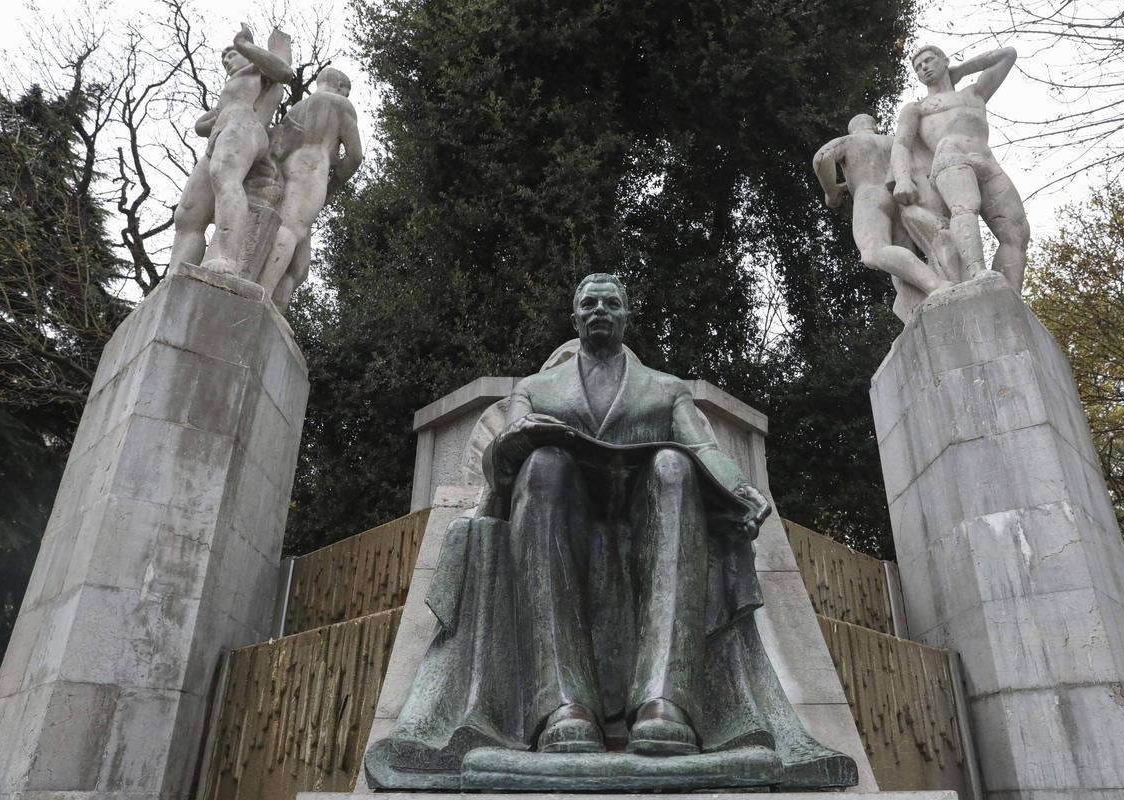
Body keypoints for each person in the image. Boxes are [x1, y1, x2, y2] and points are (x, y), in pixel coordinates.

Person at [364, 275, 854, 790]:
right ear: (575, 320)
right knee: (542, 465)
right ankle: (561, 706)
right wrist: (523, 438)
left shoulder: (666, 390)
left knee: (674, 465)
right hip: (556, 507)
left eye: (611, 303)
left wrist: (741, 488)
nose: (600, 310)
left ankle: (664, 702)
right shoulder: (534, 389)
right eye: (590, 303)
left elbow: (703, 447)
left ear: (625, 317)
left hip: (649, 508)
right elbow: (501, 454)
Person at [891, 44, 1031, 293]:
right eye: (918, 67)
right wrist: (902, 179)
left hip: (986, 160)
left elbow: (1008, 54)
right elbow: (901, 144)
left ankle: (1009, 295)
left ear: (944, 61)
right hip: (949, 157)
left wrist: (960, 70)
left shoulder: (974, 94)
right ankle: (977, 275)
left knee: (1017, 231)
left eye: (929, 60)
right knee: (965, 210)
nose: (923, 67)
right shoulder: (917, 108)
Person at [169, 25, 293, 273]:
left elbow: (285, 72)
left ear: (249, 53)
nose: (226, 60)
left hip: (245, 126)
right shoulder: (234, 86)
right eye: (224, 57)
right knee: (187, 212)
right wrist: (214, 118)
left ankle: (226, 258)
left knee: (225, 179)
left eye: (231, 53)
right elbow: (201, 125)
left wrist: (244, 44)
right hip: (220, 135)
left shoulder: (261, 70)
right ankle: (175, 273)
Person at [813, 114, 953, 298]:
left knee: (873, 250)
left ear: (853, 129)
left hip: (871, 197)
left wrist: (831, 191)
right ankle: (917, 305)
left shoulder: (849, 141)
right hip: (899, 198)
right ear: (875, 127)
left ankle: (936, 285)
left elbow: (821, 159)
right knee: (899, 258)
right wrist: (844, 187)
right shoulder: (895, 142)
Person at [257, 67, 362, 310]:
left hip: (286, 167)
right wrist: (332, 184)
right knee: (289, 231)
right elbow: (355, 157)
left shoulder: (296, 109)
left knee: (300, 261)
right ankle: (262, 294)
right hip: (313, 168)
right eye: (346, 90)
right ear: (339, 86)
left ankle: (275, 307)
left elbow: (278, 145)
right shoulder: (340, 104)